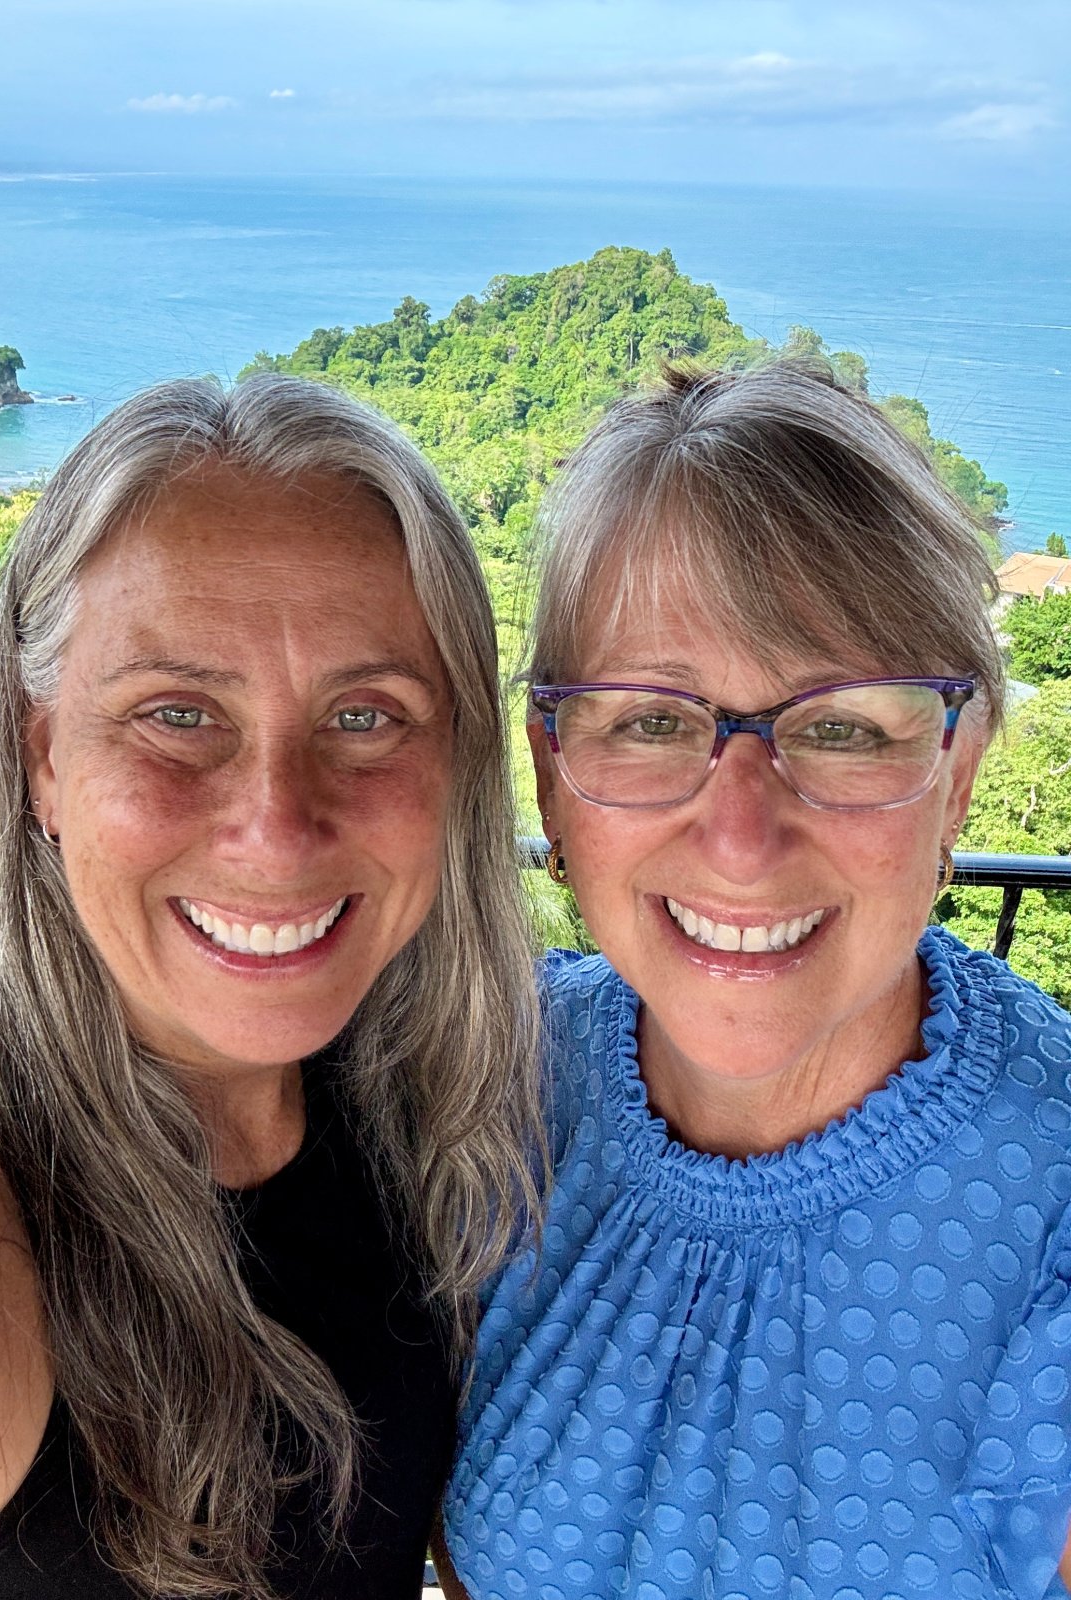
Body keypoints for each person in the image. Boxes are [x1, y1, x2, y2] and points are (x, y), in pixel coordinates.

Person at [0, 374, 543, 1600]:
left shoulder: (411, 1080)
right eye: (177, 712)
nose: (278, 828)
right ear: (43, 761)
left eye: (365, 712)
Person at [442, 362, 1071, 1600]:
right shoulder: (487, 1087)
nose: (739, 837)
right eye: (649, 721)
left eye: (841, 727)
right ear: (552, 770)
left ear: (956, 772)